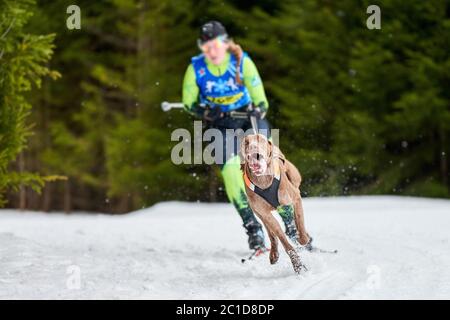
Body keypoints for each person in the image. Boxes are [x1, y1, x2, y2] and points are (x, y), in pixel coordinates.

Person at [182, 21, 296, 251]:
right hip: (219, 124)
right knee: (232, 170)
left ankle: (291, 225)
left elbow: (261, 100)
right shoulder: (196, 68)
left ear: (225, 43)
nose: (211, 52)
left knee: (267, 166)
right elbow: (188, 103)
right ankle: (253, 228)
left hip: (248, 119)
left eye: (214, 45)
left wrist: (258, 109)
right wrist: (205, 110)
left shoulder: (241, 61)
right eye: (205, 48)